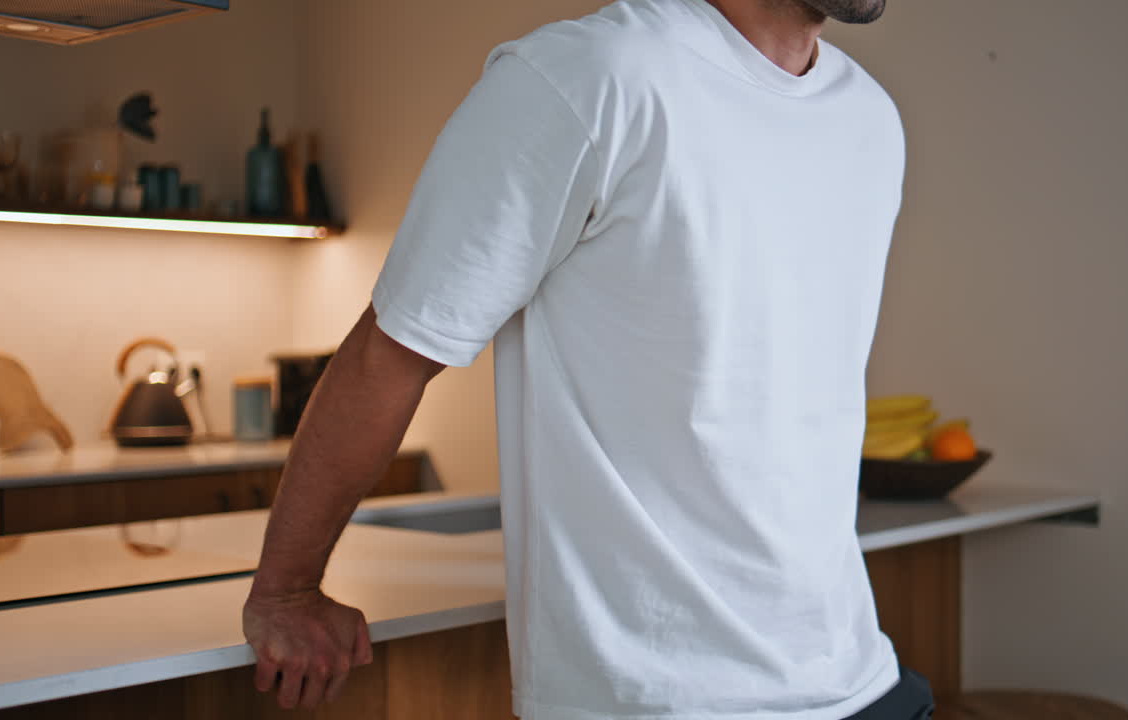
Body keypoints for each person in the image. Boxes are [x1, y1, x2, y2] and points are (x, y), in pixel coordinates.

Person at [243, 0, 934, 717]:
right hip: (664, 697)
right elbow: (389, 355)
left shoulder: (869, 120)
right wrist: (286, 590)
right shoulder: (590, 78)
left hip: (860, 679)